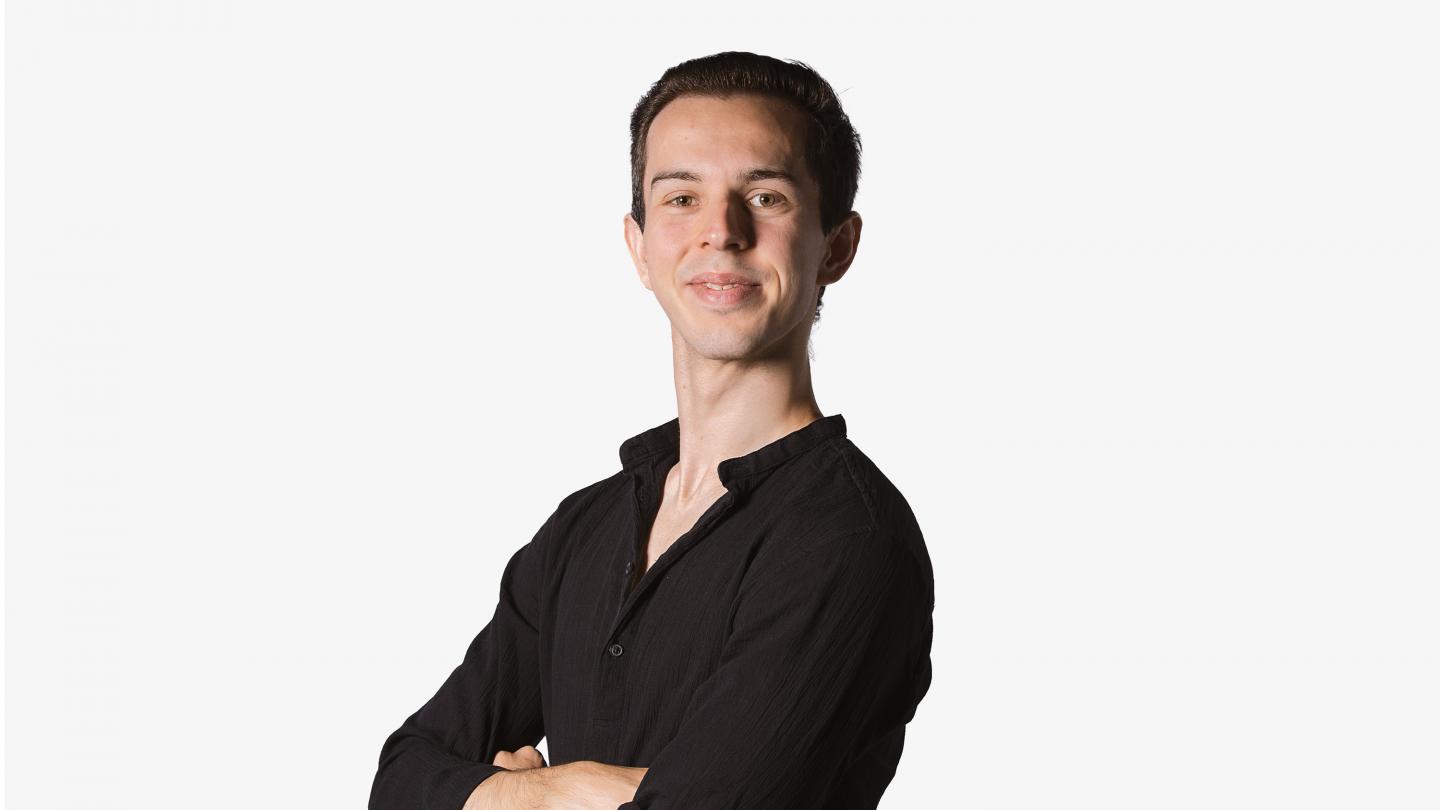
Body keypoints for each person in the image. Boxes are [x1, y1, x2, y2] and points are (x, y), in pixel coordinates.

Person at [369, 50, 934, 810]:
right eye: (680, 199)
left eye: (765, 197)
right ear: (639, 246)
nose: (721, 232)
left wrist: (521, 791)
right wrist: (553, 795)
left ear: (836, 246)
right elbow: (401, 779)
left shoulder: (847, 538)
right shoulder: (582, 529)